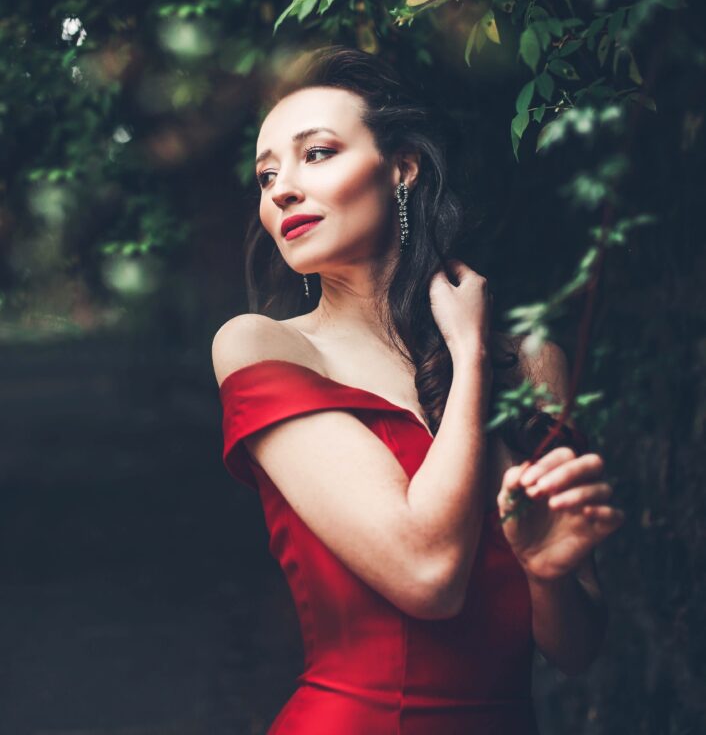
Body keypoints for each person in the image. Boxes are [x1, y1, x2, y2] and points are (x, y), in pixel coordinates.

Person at [212, 45, 624, 734]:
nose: (280, 188)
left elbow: (576, 652)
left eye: (316, 153)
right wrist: (467, 355)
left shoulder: (533, 361)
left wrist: (546, 574)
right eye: (265, 174)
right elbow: (427, 576)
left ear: (401, 167)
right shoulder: (263, 345)